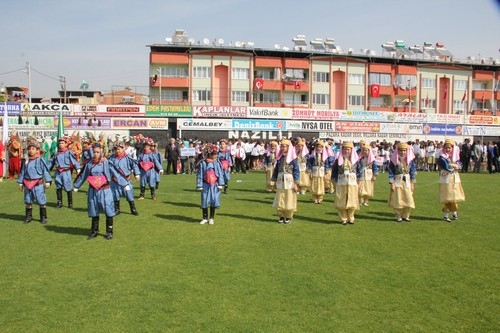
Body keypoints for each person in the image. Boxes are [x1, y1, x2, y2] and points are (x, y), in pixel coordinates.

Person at [74, 143, 129, 240]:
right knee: (94, 210)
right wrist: (77, 185)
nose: (95, 154)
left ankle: (109, 231)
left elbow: (116, 172)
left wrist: (125, 184)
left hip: (105, 190)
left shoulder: (106, 162)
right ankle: (94, 231)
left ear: (102, 152)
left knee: (108, 210)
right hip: (93, 190)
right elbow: (83, 175)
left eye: (97, 152)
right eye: (94, 152)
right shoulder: (89, 163)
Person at [17, 139, 52, 224]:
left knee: (41, 201)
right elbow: (22, 172)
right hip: (27, 183)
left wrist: (48, 181)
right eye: (30, 149)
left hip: (38, 184)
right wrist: (20, 182)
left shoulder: (40, 160)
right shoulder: (26, 160)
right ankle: (28, 217)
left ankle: (43, 217)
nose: (31, 150)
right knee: (28, 201)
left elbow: (45, 171)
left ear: (37, 150)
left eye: (33, 149)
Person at [270, 139, 299, 224]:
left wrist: (296, 183)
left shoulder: (293, 159)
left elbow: (296, 171)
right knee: (280, 197)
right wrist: (274, 180)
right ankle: (281, 215)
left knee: (289, 198)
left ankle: (288, 216)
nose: (282, 148)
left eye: (284, 146)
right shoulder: (279, 158)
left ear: (288, 147)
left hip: (290, 180)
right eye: (281, 146)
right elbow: (276, 170)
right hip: (280, 179)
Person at [108, 141, 140, 216]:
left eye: (119, 149)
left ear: (123, 149)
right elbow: (108, 168)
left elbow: (134, 165)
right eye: (115, 149)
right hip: (115, 180)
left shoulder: (127, 158)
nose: (117, 151)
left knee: (129, 195)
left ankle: (133, 209)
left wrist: (137, 174)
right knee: (115, 195)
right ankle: (117, 209)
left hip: (126, 180)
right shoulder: (111, 158)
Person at [331, 141, 360, 225]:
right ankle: (343, 218)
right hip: (341, 183)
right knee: (341, 201)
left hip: (352, 183)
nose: (346, 151)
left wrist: (359, 181)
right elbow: (334, 172)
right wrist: (334, 182)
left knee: (352, 200)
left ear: (351, 150)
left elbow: (359, 171)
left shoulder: (355, 160)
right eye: (344, 149)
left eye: (348, 149)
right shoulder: (338, 160)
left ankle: (351, 218)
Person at [388, 142, 417, 222]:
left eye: (404, 150)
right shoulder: (394, 160)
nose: (403, 152)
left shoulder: (410, 160)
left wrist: (412, 183)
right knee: (398, 198)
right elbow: (391, 172)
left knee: (408, 198)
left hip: (407, 181)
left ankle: (406, 215)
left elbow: (412, 171)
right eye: (401, 150)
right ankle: (398, 215)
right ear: (398, 151)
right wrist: (392, 183)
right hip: (397, 181)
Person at [437, 139, 465, 222]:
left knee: (455, 196)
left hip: (455, 178)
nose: (448, 149)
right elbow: (447, 167)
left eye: (450, 148)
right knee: (448, 197)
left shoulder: (455, 156)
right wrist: (454, 165)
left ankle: (454, 212)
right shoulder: (442, 157)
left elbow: (460, 165)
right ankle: (446, 214)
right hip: (446, 179)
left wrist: (454, 165)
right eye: (446, 148)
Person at [196, 145, 225, 225]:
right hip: (205, 184)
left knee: (214, 200)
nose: (216, 156)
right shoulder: (203, 163)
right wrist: (200, 185)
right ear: (210, 154)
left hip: (214, 184)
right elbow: (200, 174)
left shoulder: (217, 162)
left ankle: (211, 218)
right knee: (204, 200)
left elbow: (220, 173)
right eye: (214, 154)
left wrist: (220, 184)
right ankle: (205, 218)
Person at [49, 137, 81, 208]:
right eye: (60, 143)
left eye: (62, 143)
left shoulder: (68, 152)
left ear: (66, 144)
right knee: (58, 187)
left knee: (68, 187)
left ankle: (70, 203)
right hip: (58, 172)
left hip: (66, 172)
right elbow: (51, 162)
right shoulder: (56, 153)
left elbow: (74, 160)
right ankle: (59, 202)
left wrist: (78, 168)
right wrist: (46, 169)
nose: (61, 144)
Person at [358, 142, 379, 207]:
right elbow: (357, 167)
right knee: (360, 188)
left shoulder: (372, 159)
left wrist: (375, 175)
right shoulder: (360, 158)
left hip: (369, 175)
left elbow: (375, 168)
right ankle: (360, 201)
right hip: (361, 174)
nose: (364, 151)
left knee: (368, 188)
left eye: (366, 150)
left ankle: (366, 201)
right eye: (363, 150)